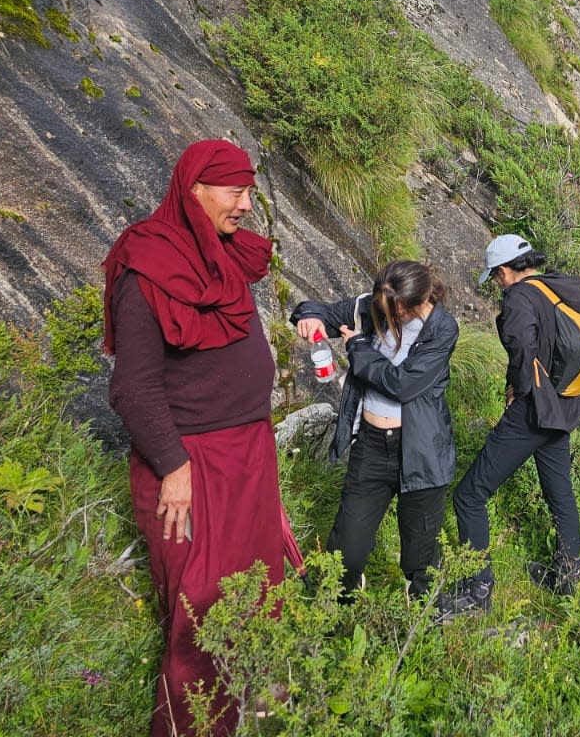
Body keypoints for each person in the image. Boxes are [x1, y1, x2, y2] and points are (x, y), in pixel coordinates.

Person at [103, 139, 300, 737]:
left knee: (262, 582)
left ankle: (259, 714)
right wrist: (172, 465)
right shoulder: (148, 270)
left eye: (249, 191)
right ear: (194, 191)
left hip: (248, 454)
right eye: (235, 192)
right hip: (191, 464)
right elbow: (133, 387)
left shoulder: (224, 257)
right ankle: (196, 728)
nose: (246, 204)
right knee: (202, 603)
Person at [442, 235, 580, 615]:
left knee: (469, 495)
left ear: (505, 271)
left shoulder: (519, 296)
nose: (498, 284)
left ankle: (477, 590)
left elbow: (520, 346)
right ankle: (567, 579)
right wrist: (566, 361)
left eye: (496, 277)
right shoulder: (560, 284)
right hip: (566, 408)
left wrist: (523, 390)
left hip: (534, 411)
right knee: (560, 493)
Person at [291, 261, 459, 606]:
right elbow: (323, 310)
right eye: (386, 311)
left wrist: (359, 348)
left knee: (420, 549)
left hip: (420, 450)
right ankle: (342, 599)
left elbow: (403, 384)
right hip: (370, 445)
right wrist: (309, 316)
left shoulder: (442, 329)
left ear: (420, 300)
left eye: (399, 313)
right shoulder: (373, 306)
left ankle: (422, 608)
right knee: (346, 549)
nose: (391, 319)